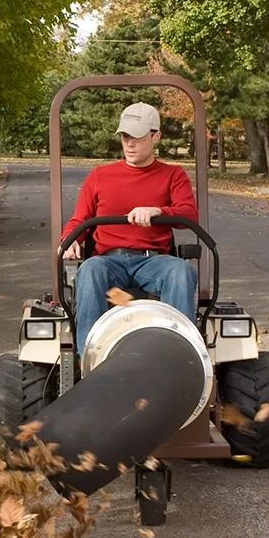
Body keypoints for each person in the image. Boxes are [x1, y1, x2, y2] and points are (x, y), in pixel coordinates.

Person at [62, 102, 199, 355]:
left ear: (155, 137)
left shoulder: (173, 175)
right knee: (90, 269)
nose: (130, 143)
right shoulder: (99, 176)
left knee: (181, 270)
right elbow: (79, 220)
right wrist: (69, 239)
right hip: (108, 262)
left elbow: (189, 214)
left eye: (137, 137)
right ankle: (91, 360)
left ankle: (178, 356)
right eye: (125, 136)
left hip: (153, 263)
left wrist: (159, 211)